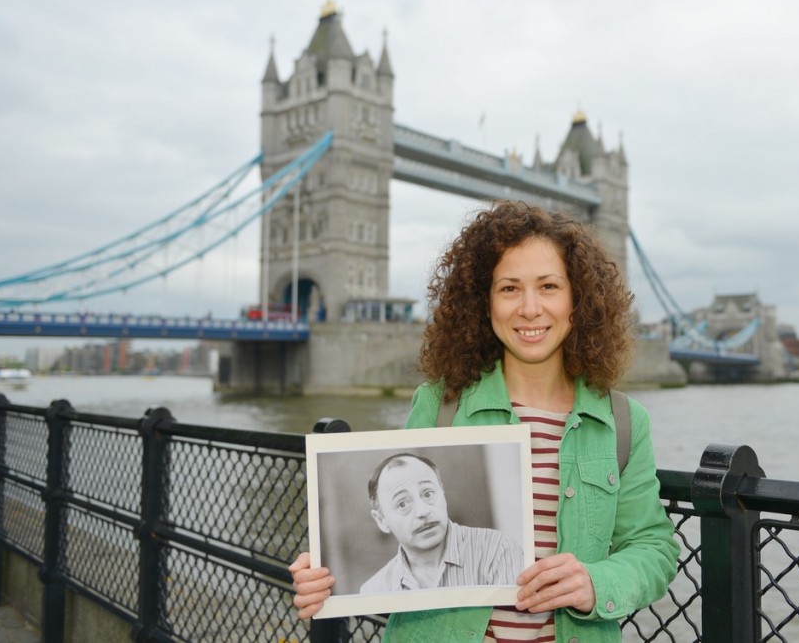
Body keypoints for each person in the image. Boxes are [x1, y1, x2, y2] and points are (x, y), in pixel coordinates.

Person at [291, 201, 680, 642]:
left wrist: (597, 583)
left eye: (549, 286)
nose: (530, 309)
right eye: (510, 289)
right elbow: (355, 583)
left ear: (578, 300)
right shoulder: (439, 405)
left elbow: (654, 548)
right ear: (484, 302)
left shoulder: (625, 422)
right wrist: (322, 578)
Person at [360, 452, 525, 594]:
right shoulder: (375, 589)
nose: (422, 511)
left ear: (442, 493)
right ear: (381, 521)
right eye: (402, 504)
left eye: (428, 494)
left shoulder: (498, 550)